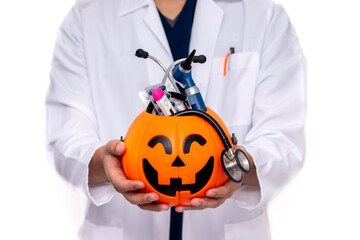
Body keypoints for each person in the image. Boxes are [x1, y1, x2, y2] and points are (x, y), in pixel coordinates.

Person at [46, 0, 306, 239]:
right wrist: (103, 163)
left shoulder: (264, 16)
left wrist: (237, 168)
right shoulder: (86, 18)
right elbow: (65, 136)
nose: (179, 159)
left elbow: (284, 137)